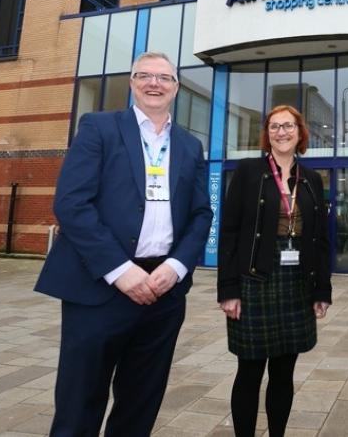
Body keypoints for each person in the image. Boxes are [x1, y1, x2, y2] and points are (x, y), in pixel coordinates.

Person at [35, 52, 213, 436]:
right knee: (79, 404)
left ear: (176, 88)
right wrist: (121, 270)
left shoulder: (189, 145)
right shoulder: (99, 128)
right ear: (131, 83)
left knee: (140, 405)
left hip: (163, 292)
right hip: (100, 287)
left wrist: (176, 267)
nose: (155, 83)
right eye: (144, 75)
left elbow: (201, 215)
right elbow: (71, 203)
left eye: (164, 77)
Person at [218, 105, 332, 437]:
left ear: (300, 133)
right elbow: (230, 231)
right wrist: (228, 290)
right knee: (250, 371)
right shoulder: (248, 171)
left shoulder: (311, 179)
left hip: (297, 283)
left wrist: (321, 291)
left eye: (287, 126)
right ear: (267, 134)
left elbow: (321, 239)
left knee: (284, 371)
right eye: (273, 127)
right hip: (255, 279)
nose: (280, 132)